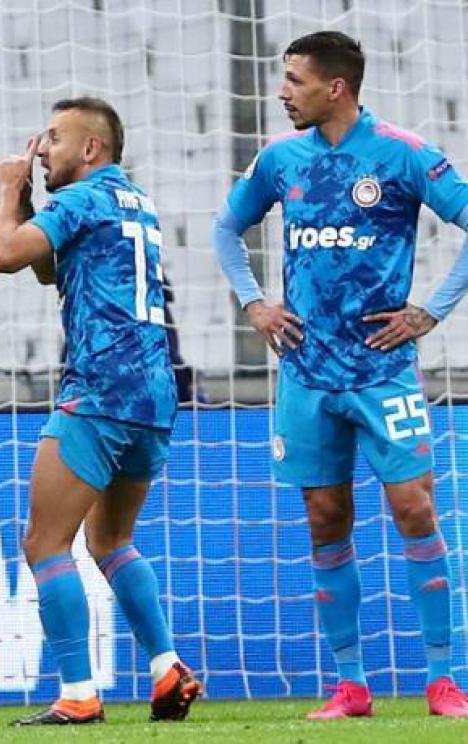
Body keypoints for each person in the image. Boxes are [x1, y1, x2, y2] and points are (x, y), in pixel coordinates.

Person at [212, 31, 468, 719]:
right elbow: (224, 230)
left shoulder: (402, 153)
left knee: (415, 508)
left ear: (337, 87)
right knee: (326, 517)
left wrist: (431, 311)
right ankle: (351, 685)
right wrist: (255, 303)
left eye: (294, 80)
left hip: (384, 370)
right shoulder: (280, 159)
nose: (282, 92)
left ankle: (443, 680)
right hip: (306, 373)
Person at [0, 97, 201, 725]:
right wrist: (32, 204)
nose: (41, 149)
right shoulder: (134, 201)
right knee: (111, 540)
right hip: (153, 394)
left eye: (54, 138)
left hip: (101, 388)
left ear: (90, 149)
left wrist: (7, 192)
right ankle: (166, 668)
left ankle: (79, 694)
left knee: (44, 541)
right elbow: (48, 270)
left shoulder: (81, 200)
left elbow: (6, 255)